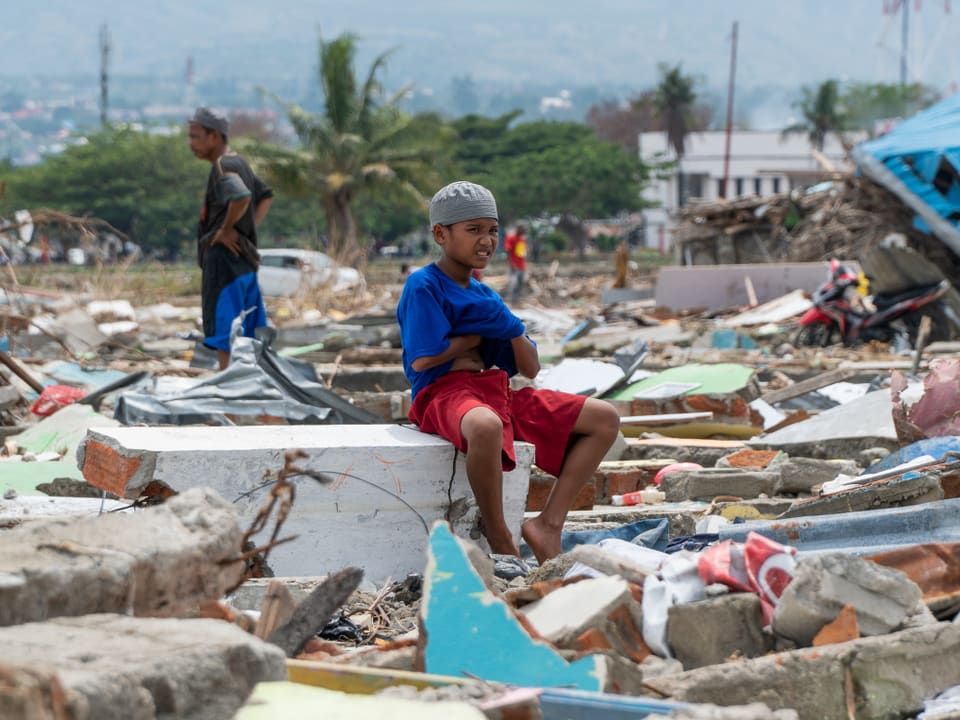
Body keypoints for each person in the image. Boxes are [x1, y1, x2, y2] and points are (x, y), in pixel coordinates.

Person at [397, 181, 620, 564]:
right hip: (444, 393)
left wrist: (510, 325)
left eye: (492, 230)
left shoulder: (486, 295)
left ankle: (548, 524)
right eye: (474, 230)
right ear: (440, 233)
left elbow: (531, 368)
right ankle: (500, 536)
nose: (486, 241)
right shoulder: (425, 285)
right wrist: (473, 339)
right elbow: (421, 360)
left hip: (494, 391)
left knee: (604, 418)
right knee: (485, 426)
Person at [188, 107, 274, 369]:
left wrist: (226, 229)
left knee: (227, 341)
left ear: (215, 137)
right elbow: (265, 195)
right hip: (244, 264)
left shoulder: (223, 166)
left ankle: (230, 407)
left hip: (224, 268)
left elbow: (242, 197)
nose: (191, 144)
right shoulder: (239, 162)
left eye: (196, 136)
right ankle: (246, 402)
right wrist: (247, 228)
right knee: (246, 341)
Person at [503, 223, 528, 303]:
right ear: (519, 229)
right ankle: (511, 299)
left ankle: (517, 299)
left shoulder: (522, 239)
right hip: (514, 265)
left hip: (521, 265)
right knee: (513, 282)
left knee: (520, 282)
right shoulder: (511, 238)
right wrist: (511, 263)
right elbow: (508, 250)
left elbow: (522, 252)